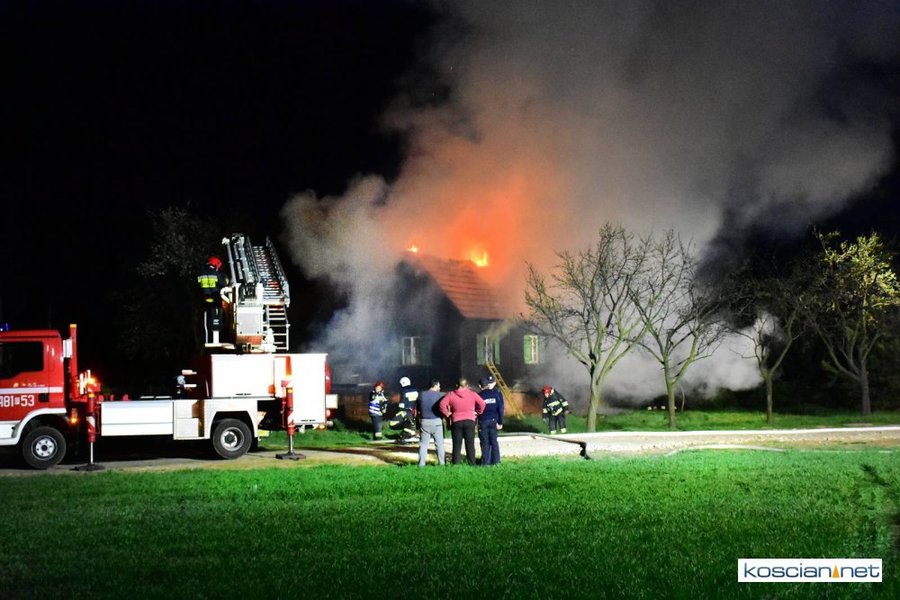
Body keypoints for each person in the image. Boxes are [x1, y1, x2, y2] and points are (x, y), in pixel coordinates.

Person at [438, 378, 486, 465]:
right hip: (470, 420)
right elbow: (482, 403)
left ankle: (456, 463)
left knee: (457, 444)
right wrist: (478, 412)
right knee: (470, 444)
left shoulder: (451, 394)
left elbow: (442, 405)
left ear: (457, 385)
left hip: (456, 421)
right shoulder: (472, 394)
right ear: (467, 385)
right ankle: (472, 463)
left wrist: (447, 414)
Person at [197, 256, 227, 344]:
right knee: (219, 314)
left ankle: (206, 334)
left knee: (205, 316)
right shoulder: (216, 273)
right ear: (216, 265)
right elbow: (223, 284)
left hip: (205, 299)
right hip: (215, 299)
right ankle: (219, 328)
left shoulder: (201, 273)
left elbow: (197, 285)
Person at [417, 379, 446, 466]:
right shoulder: (441, 395)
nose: (440, 388)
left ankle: (421, 464)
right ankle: (442, 464)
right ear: (436, 385)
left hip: (425, 421)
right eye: (439, 386)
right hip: (437, 421)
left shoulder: (421, 394)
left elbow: (418, 408)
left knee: (423, 444)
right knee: (439, 444)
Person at [478, 375, 504, 466]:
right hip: (493, 420)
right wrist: (500, 421)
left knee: (485, 442)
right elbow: (500, 408)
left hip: (484, 420)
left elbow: (477, 409)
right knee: (494, 441)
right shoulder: (495, 394)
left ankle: (486, 462)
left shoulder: (479, 395)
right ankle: (496, 461)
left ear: (480, 386)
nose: (490, 385)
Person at [389, 376, 419, 443]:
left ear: (403, 383)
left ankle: (404, 436)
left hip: (406, 411)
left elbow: (402, 404)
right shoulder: (415, 390)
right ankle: (411, 434)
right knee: (411, 424)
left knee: (393, 423)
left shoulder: (404, 390)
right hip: (414, 411)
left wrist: (399, 409)